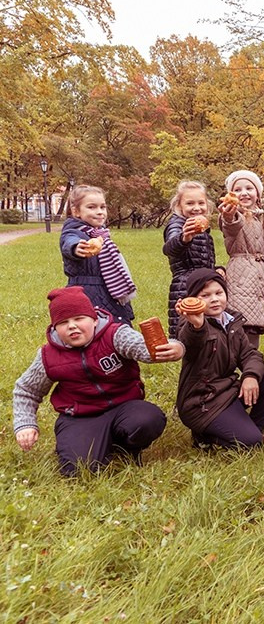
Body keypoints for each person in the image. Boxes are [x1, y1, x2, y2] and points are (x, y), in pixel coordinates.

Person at [12, 287, 183, 476]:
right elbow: (27, 390)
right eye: (63, 322)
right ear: (55, 328)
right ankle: (84, 443)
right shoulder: (48, 355)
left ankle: (124, 447)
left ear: (94, 319)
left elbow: (143, 348)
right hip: (81, 417)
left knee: (148, 419)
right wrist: (25, 424)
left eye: (79, 318)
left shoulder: (115, 334)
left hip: (124, 407)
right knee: (79, 469)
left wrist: (175, 348)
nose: (72, 326)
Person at [175, 269, 264, 450]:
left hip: (228, 391)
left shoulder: (231, 322)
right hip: (203, 403)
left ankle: (252, 429)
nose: (214, 299)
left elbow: (250, 354)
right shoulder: (192, 325)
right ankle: (205, 437)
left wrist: (250, 376)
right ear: (194, 300)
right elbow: (190, 343)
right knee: (251, 442)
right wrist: (196, 325)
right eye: (205, 295)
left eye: (219, 293)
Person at [59, 185, 137, 325]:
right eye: (92, 207)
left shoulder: (101, 234)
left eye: (102, 207)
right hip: (86, 293)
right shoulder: (73, 232)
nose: (100, 212)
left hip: (109, 290)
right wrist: (76, 247)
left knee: (115, 328)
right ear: (76, 211)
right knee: (95, 330)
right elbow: (68, 242)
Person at [218, 170, 264, 349]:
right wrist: (228, 215)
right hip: (240, 280)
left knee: (253, 331)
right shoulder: (233, 215)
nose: (244, 193)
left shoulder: (260, 218)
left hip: (257, 283)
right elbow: (230, 225)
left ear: (257, 194)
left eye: (249, 188)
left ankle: (251, 364)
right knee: (239, 328)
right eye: (237, 190)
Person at [163, 180, 216, 338]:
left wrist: (216, 270)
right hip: (185, 287)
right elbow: (169, 248)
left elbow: (203, 259)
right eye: (190, 203)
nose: (197, 208)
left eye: (201, 203)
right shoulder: (177, 225)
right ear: (179, 206)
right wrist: (184, 238)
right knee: (187, 331)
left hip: (203, 284)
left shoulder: (203, 229)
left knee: (206, 332)